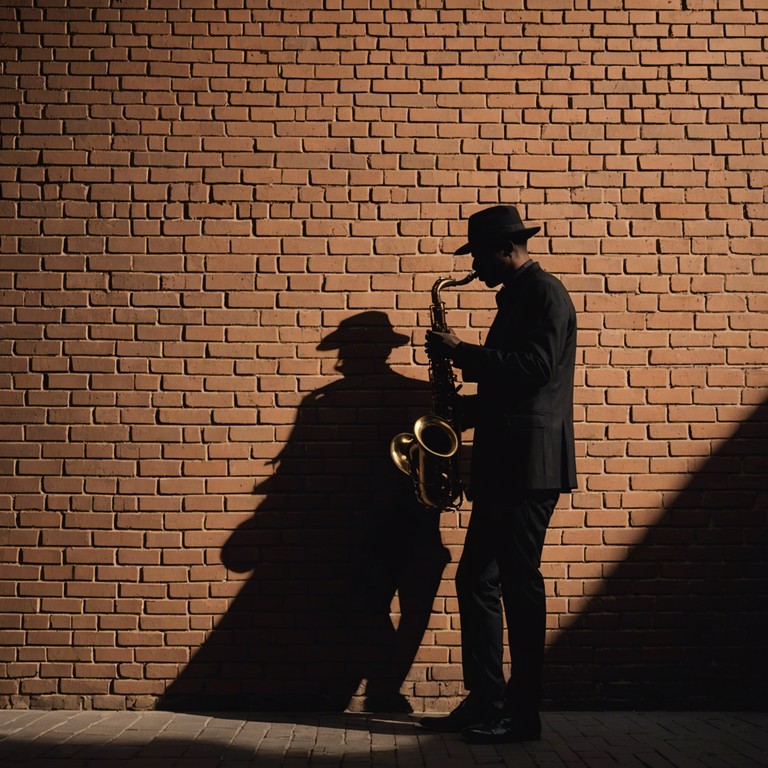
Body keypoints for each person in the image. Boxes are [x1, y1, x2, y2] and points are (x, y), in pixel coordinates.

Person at [419, 205, 577, 743]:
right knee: (476, 579)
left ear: (506, 249)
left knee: (518, 584)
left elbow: (535, 369)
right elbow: (511, 389)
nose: (475, 270)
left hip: (528, 468)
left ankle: (523, 714)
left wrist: (463, 352)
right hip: (504, 462)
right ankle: (487, 699)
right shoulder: (514, 297)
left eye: (479, 258)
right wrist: (460, 412)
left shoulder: (544, 293)